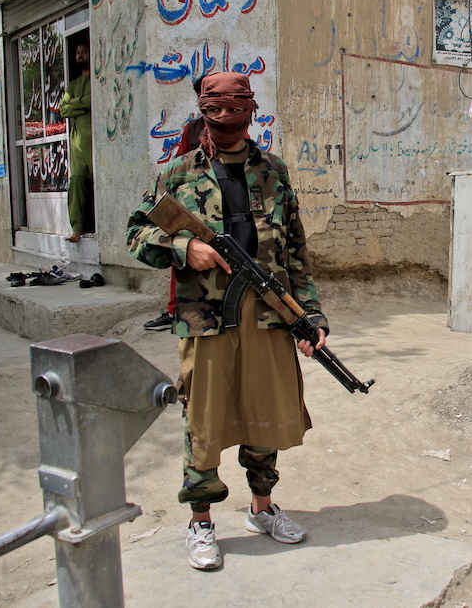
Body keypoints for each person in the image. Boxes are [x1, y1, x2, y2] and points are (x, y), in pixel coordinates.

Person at [127, 72, 326, 571]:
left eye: (239, 114)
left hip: (269, 314)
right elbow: (135, 235)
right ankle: (201, 521)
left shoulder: (274, 172)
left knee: (264, 413)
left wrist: (311, 313)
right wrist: (183, 247)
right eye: (219, 115)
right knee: (205, 419)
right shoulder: (177, 175)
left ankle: (262, 508)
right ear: (204, 116)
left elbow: (296, 251)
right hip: (205, 317)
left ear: (251, 114)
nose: (230, 124)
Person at [144, 78, 208, 332]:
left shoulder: (234, 127)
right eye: (203, 95)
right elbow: (179, 164)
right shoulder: (191, 129)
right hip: (192, 205)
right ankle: (174, 311)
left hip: (225, 207)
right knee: (181, 254)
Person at [59, 44, 94, 243]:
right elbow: (63, 110)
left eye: (84, 51)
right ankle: (77, 229)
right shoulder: (72, 85)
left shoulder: (95, 80)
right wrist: (82, 102)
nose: (80, 55)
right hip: (78, 142)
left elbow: (94, 100)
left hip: (94, 141)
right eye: (77, 52)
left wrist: (75, 103)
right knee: (77, 182)